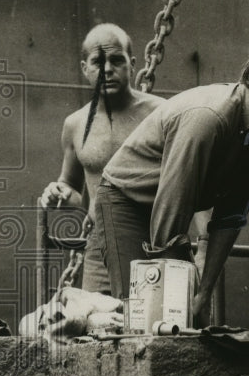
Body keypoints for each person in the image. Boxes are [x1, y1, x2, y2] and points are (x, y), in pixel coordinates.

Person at [91, 32, 249, 322]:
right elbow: (169, 215)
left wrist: (204, 292)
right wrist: (175, 299)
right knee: (144, 314)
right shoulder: (209, 117)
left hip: (167, 210)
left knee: (191, 315)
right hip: (125, 202)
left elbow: (230, 216)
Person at [39, 24, 162, 294]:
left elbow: (189, 178)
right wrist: (58, 192)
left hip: (154, 244)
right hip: (98, 252)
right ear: (85, 68)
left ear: (132, 64)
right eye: (98, 62)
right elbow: (71, 187)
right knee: (100, 327)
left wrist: (202, 242)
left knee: (154, 327)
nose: (107, 69)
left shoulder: (160, 114)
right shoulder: (75, 124)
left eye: (116, 60)